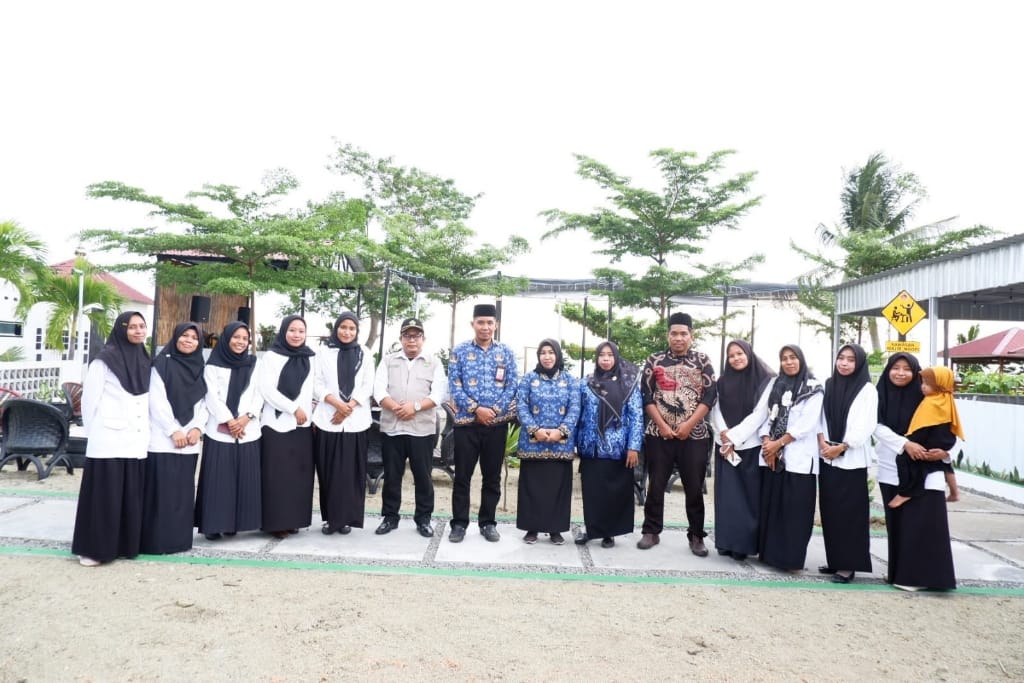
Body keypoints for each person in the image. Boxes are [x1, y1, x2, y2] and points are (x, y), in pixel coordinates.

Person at [72, 311, 151, 567]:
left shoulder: (143, 357)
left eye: (142, 326)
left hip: (135, 440)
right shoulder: (104, 360)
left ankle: (123, 545)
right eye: (132, 327)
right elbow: (89, 401)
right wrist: (95, 434)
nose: (138, 331)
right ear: (121, 329)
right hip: (107, 440)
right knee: (104, 498)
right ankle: (94, 549)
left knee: (128, 496)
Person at [874, 353, 957, 590]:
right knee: (898, 525)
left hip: (925, 469)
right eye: (895, 368)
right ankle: (900, 575)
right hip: (891, 465)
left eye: (906, 369)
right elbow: (876, 426)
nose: (900, 373)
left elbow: (947, 426)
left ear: (916, 372)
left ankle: (925, 578)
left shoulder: (928, 396)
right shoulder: (879, 395)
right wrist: (904, 444)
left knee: (923, 524)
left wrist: (943, 451)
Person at [638, 312, 717, 555]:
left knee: (694, 486)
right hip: (658, 434)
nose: (679, 338)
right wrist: (662, 425)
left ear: (691, 336)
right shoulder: (654, 360)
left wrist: (689, 425)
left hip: (694, 436)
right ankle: (651, 531)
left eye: (684, 334)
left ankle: (696, 535)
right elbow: (646, 395)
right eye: (674, 333)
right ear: (668, 335)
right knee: (656, 483)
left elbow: (710, 395)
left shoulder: (702, 361)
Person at [447, 302, 519, 543]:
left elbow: (512, 385)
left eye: (490, 323)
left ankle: (488, 523)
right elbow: (454, 386)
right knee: (462, 477)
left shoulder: (506, 352)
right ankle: (459, 524)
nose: (485, 327)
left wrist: (494, 410)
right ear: (473, 324)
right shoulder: (459, 351)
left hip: (495, 426)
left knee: (492, 477)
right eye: (481, 322)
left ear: (496, 325)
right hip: (466, 424)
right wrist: (477, 409)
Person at [373, 317, 447, 538]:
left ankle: (423, 519)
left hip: (421, 430)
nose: (411, 340)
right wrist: (397, 408)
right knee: (392, 476)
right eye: (407, 335)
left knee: (423, 477)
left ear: (423, 339)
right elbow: (378, 390)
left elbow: (438, 394)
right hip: (393, 428)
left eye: (416, 336)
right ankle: (390, 517)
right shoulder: (388, 361)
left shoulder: (434, 362)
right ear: (401, 339)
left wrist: (414, 407)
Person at [141, 322, 207, 555]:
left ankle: (179, 541)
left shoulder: (201, 367)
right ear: (175, 337)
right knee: (161, 491)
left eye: (194, 337)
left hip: (190, 440)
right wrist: (173, 430)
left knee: (182, 491)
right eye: (184, 336)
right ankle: (157, 542)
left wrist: (197, 428)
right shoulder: (161, 364)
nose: (188, 340)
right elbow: (157, 402)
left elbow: (204, 402)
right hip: (163, 439)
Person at [757, 344, 824, 572]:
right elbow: (768, 417)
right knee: (773, 508)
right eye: (784, 358)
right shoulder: (777, 385)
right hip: (774, 458)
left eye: (793, 357)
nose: (788, 362)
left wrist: (777, 445)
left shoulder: (813, 388)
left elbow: (806, 425)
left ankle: (790, 560)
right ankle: (769, 555)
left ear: (801, 360)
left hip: (799, 460)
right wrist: (767, 442)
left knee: (795, 513)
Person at [195, 321, 263, 540]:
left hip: (248, 430)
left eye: (245, 338)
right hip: (220, 430)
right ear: (226, 338)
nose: (240, 342)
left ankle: (235, 524)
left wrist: (246, 417)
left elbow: (259, 393)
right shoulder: (213, 364)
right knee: (219, 480)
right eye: (236, 337)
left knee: (244, 479)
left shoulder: (254, 363)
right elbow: (211, 396)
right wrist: (229, 421)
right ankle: (214, 525)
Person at [816, 343, 877, 584]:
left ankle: (849, 565)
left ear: (859, 363)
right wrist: (823, 442)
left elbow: (865, 425)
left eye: (850, 360)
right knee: (830, 513)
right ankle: (836, 560)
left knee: (850, 514)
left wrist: (842, 446)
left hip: (850, 460)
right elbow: (821, 417)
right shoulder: (830, 384)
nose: (844, 363)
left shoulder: (867, 389)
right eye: (841, 358)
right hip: (828, 457)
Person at [710, 339, 775, 561]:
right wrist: (724, 433)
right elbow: (714, 409)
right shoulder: (722, 382)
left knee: (746, 500)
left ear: (748, 354)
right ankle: (726, 542)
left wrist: (734, 438)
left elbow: (759, 414)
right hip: (724, 447)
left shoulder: (765, 381)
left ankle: (742, 546)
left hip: (749, 447)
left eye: (740, 353)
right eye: (731, 355)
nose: (736, 358)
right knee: (726, 498)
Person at [575, 341, 643, 549]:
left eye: (609, 355)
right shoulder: (585, 383)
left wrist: (634, 446)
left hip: (618, 448)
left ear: (616, 358)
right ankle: (592, 529)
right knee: (593, 492)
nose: (605, 359)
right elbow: (578, 414)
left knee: (614, 492)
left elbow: (637, 415)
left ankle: (609, 533)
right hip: (591, 446)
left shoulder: (628, 384)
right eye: (601, 355)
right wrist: (575, 443)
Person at [312, 311, 374, 535]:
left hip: (356, 422)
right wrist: (336, 404)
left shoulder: (364, 354)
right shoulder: (323, 352)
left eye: (352, 328)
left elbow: (368, 385)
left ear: (357, 331)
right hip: (328, 420)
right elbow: (317, 383)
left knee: (350, 473)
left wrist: (348, 407)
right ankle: (330, 519)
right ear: (336, 328)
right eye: (343, 327)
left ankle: (347, 518)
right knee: (328, 472)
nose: (347, 332)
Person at [514, 339, 580, 545]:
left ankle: (556, 529)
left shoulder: (570, 380)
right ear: (538, 356)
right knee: (532, 487)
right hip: (533, 443)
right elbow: (521, 406)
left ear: (558, 355)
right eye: (543, 352)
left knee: (558, 488)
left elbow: (575, 408)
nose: (547, 356)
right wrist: (536, 430)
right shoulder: (528, 379)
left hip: (561, 444)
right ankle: (531, 528)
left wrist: (562, 431)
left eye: (551, 352)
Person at [258, 314, 316, 539]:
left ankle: (294, 520)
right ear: (284, 331)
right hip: (276, 424)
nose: (296, 335)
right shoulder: (272, 357)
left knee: (298, 476)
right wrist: (293, 409)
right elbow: (267, 389)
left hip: (302, 427)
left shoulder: (310, 357)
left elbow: (312, 391)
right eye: (292, 330)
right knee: (277, 476)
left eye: (301, 331)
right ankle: (275, 523)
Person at [889, 365, 963, 509]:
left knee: (905, 458)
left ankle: (906, 491)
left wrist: (910, 441)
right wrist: (946, 451)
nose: (923, 387)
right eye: (922, 383)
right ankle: (955, 492)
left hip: (932, 440)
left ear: (939, 386)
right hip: (946, 441)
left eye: (928, 384)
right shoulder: (948, 399)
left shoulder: (930, 402)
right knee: (945, 463)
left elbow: (923, 425)